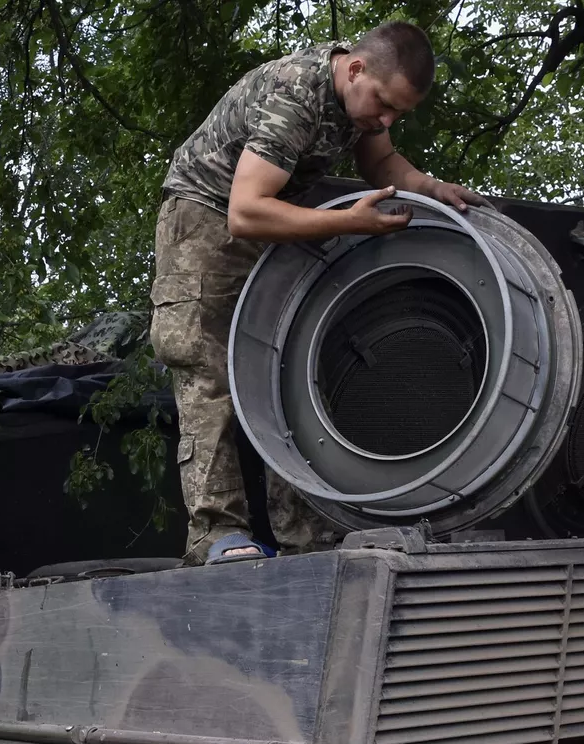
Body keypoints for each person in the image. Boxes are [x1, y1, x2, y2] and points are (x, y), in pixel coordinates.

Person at [153, 21, 483, 565]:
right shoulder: (296, 95)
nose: (386, 120)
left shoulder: (361, 99)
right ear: (355, 68)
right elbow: (245, 211)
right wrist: (346, 224)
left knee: (289, 372)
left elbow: (381, 163)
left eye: (398, 113)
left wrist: (431, 187)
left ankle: (307, 537)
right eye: (383, 104)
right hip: (204, 223)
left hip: (273, 228)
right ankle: (216, 535)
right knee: (210, 378)